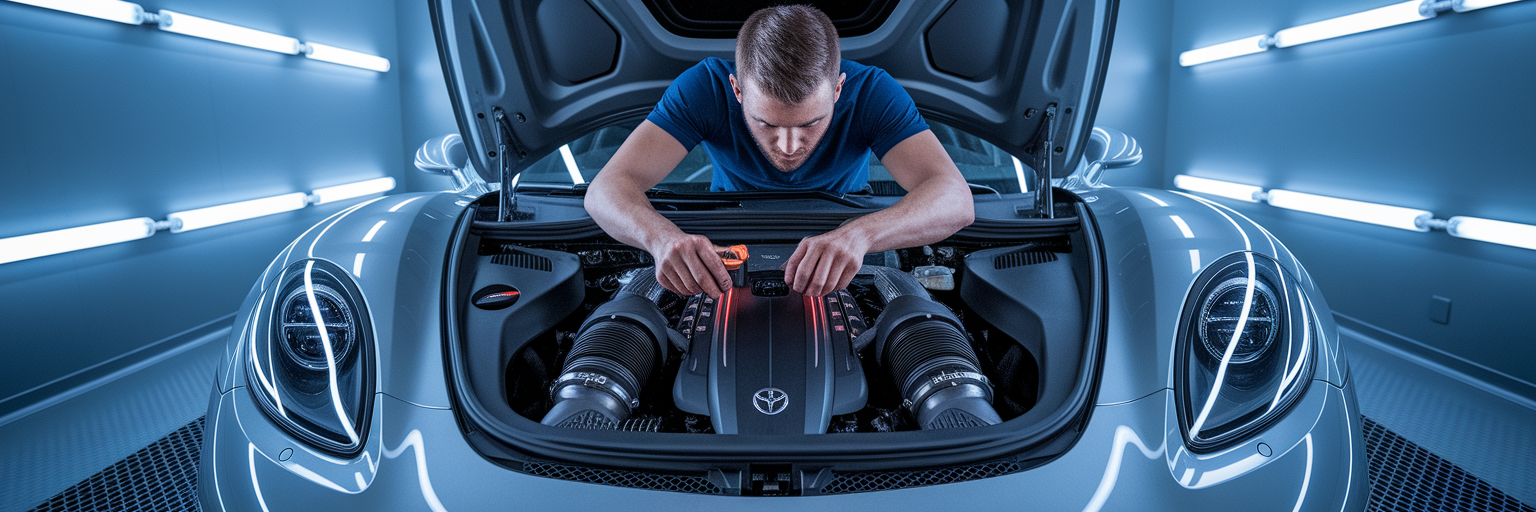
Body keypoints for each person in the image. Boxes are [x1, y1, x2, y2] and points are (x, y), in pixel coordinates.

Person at [585, 5, 973, 299]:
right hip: (726, 240)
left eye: (810, 123)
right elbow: (607, 188)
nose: (788, 148)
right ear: (736, 91)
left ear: (838, 90)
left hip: (848, 235)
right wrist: (662, 240)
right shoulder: (703, 88)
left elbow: (954, 199)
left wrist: (861, 236)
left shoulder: (872, 92)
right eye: (767, 124)